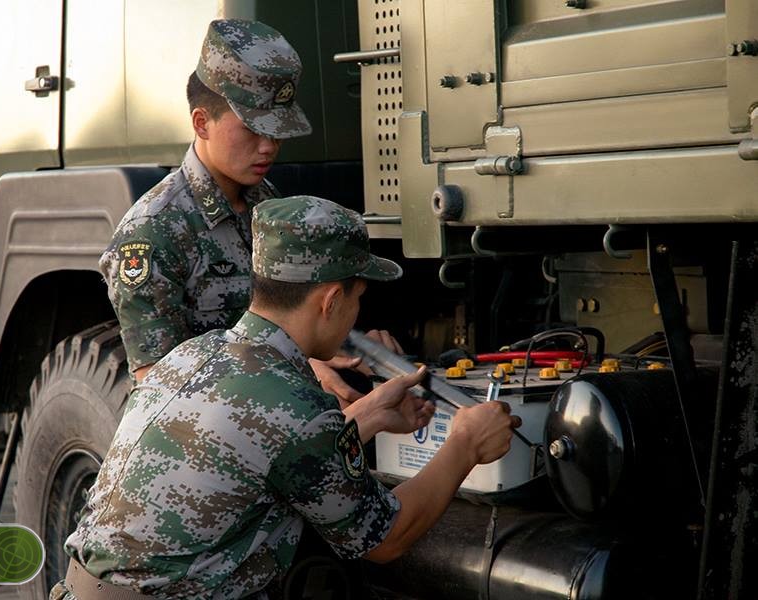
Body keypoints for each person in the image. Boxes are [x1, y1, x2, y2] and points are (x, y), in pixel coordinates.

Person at [53, 196, 520, 600]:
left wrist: (364, 415)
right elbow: (387, 538)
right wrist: (465, 443)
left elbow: (257, 452)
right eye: (358, 298)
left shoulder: (193, 354)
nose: (358, 312)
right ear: (331, 300)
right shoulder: (295, 405)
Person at [98, 18, 398, 401]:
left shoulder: (264, 200)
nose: (269, 146)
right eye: (253, 130)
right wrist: (296, 368)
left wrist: (351, 346)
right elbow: (160, 383)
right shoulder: (152, 232)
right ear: (201, 123)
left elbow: (293, 319)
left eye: (276, 131)